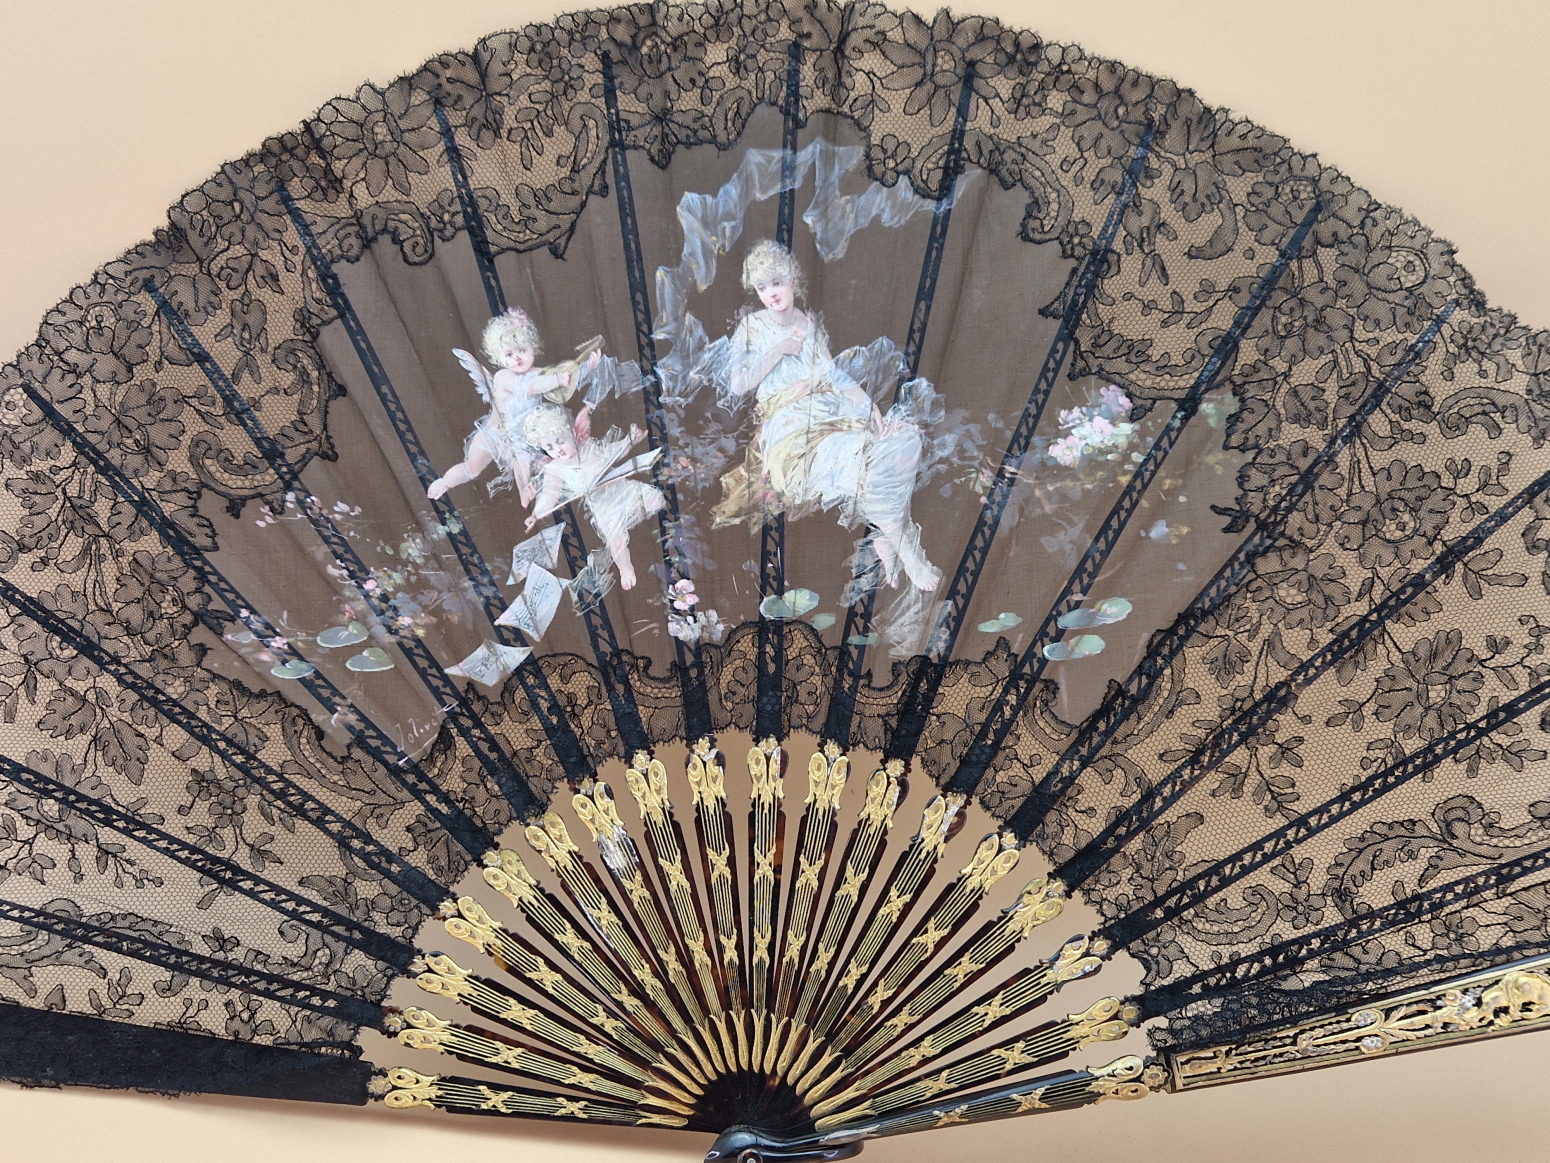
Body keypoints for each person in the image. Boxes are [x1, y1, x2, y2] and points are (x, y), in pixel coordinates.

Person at [711, 240, 939, 590]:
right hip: (789, 425)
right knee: (856, 462)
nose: (770, 293)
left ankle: (886, 536)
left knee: (897, 443)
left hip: (829, 409)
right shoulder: (752, 328)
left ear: (792, 279)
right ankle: (906, 550)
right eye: (761, 287)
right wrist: (778, 350)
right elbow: (739, 384)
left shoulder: (808, 321)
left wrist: (868, 405)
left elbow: (832, 375)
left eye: (776, 282)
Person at [428, 307, 600, 504]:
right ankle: (445, 483)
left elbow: (565, 383)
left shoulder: (542, 372)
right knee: (472, 469)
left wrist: (586, 368)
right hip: (495, 434)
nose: (517, 358)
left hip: (521, 438)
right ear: (499, 359)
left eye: (522, 350)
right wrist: (559, 379)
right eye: (509, 354)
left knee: (524, 463)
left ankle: (526, 496)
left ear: (532, 348)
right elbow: (532, 387)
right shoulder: (504, 377)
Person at [522, 403, 665, 591]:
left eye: (560, 441)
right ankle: (626, 568)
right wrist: (536, 513)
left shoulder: (588, 447)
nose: (558, 449)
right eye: (550, 447)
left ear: (572, 433)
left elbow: (613, 453)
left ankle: (658, 531)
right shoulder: (554, 469)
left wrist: (631, 441)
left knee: (656, 500)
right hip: (602, 506)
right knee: (616, 539)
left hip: (620, 489)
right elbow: (550, 494)